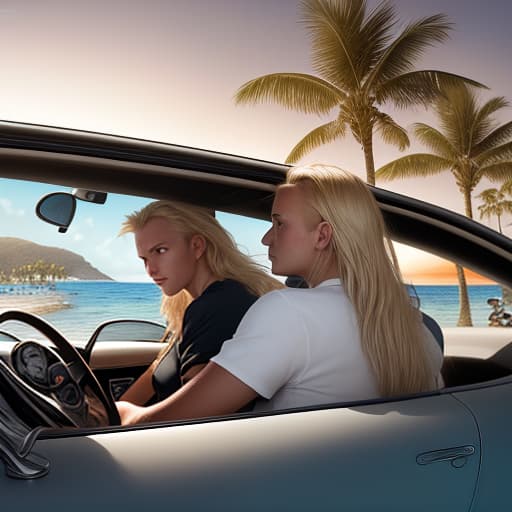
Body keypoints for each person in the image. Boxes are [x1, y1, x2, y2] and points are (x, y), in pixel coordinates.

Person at [117, 164, 443, 425]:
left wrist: (124, 414)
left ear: (323, 235)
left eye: (279, 223)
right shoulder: (413, 327)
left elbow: (176, 424)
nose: (266, 238)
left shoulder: (288, 311)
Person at [118, 200, 282, 406]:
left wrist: (124, 420)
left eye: (160, 251)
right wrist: (111, 415)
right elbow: (153, 375)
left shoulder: (219, 305)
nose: (151, 270)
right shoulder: (197, 307)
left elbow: (194, 415)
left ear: (197, 246)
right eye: (144, 259)